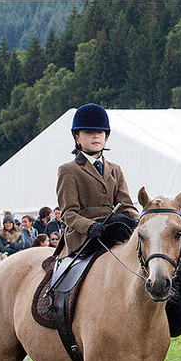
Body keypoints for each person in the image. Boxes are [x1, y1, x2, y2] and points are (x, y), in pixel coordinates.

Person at [56, 103, 138, 259]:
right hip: (84, 236)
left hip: (114, 231)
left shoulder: (115, 169)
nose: (95, 136)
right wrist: (90, 226)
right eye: (89, 132)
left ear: (106, 136)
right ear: (77, 137)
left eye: (100, 132)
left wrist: (139, 222)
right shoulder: (68, 170)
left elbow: (126, 207)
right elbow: (68, 213)